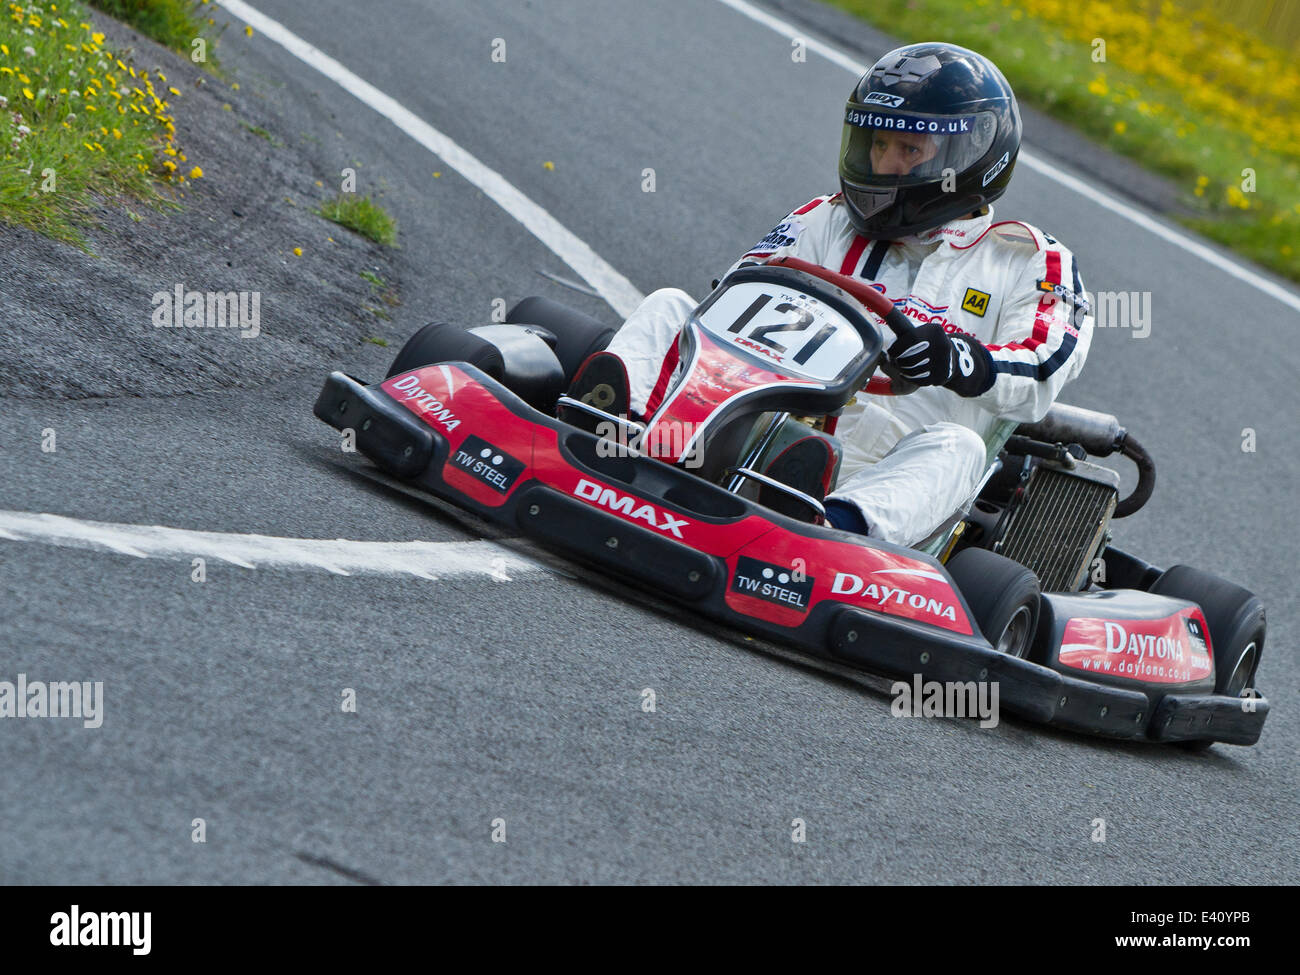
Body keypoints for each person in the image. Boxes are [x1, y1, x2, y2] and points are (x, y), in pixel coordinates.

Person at [566, 42, 1094, 546]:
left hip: (884, 471)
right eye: (878, 145)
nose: (886, 165)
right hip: (753, 418)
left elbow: (1043, 367)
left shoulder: (1028, 261)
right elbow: (727, 303)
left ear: (976, 154)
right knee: (670, 307)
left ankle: (825, 524)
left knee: (960, 448)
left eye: (910, 149)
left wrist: (955, 359)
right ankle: (611, 428)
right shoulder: (824, 218)